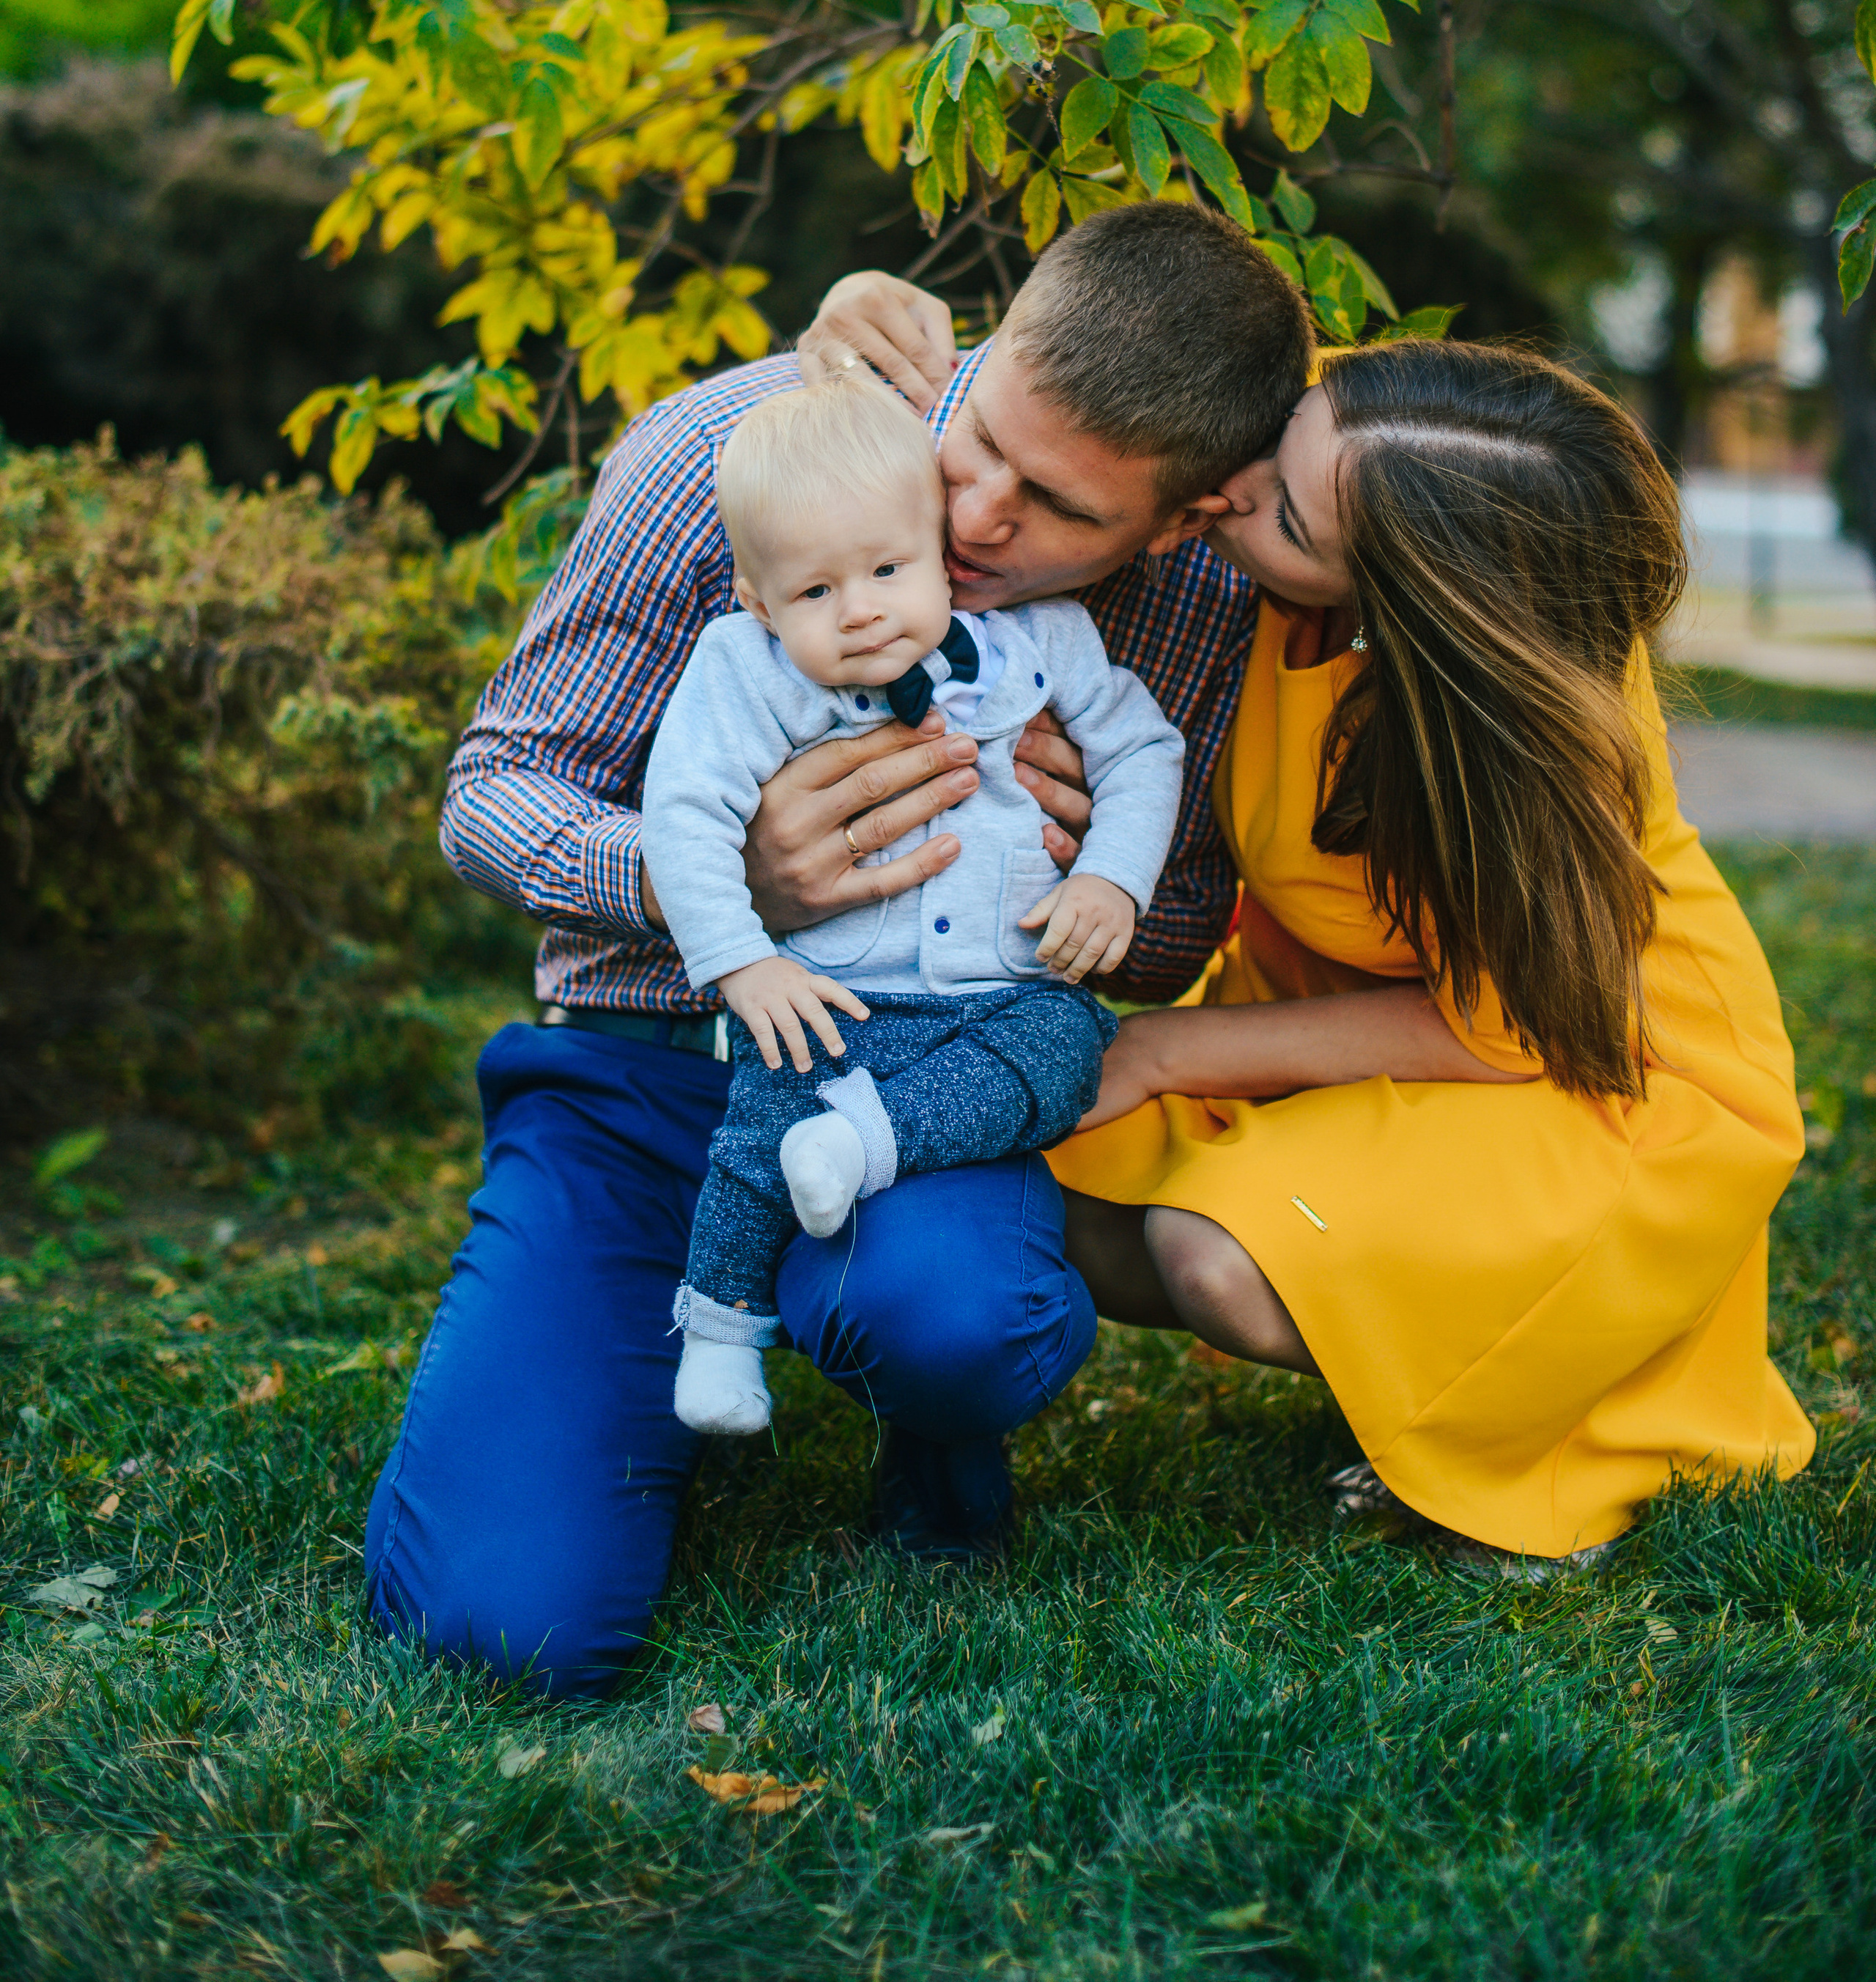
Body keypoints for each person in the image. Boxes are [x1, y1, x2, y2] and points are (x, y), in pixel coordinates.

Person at [363, 204, 1312, 1693]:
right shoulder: (732, 453)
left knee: (953, 1323)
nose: (981, 515)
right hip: (648, 1068)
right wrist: (723, 888)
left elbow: (1179, 930)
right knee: (502, 1628)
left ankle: (902, 1390)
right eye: (978, 441)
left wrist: (1079, 856)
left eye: (1056, 508)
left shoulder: (1207, 602)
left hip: (928, 1090)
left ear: (1182, 517)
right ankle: (654, 1352)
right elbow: (492, 797)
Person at [1051, 338, 1814, 1566]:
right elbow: (1105, 346)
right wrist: (893, 331)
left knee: (1215, 1257)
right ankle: (1421, 1361)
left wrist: (1167, 1047)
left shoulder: (1518, 734)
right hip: (1360, 1013)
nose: (1234, 494)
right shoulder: (1358, 431)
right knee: (1067, 1196)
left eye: (1290, 520)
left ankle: (1539, 1420)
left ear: (1408, 610)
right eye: (1281, 440)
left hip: (1590, 1069)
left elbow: (1503, 1028)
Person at [645, 370, 1183, 1435]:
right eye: (814, 593)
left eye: (889, 569)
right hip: (831, 994)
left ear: (938, 550)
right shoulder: (745, 673)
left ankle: (864, 1143)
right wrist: (742, 960)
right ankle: (719, 1333)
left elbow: (1143, 750)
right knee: (757, 1134)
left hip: (1001, 995)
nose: (860, 612)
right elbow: (684, 812)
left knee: (1064, 1053)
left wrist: (1110, 875)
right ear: (757, 602)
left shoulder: (1039, 640)